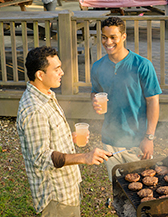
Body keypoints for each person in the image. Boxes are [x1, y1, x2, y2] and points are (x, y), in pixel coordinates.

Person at [17, 46, 111, 216]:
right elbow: (41, 157)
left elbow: (48, 136)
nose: (62, 72)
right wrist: (85, 157)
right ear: (40, 75)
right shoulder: (34, 110)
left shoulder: (45, 94)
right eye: (57, 69)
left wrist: (69, 137)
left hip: (66, 187)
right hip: (56, 196)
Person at [90, 17, 161, 180]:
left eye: (113, 37)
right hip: (109, 140)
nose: (108, 42)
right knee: (118, 190)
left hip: (137, 142)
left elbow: (153, 101)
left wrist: (149, 137)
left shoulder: (142, 65)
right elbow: (95, 91)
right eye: (104, 37)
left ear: (123, 36)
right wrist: (94, 100)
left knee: (143, 187)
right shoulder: (98, 67)